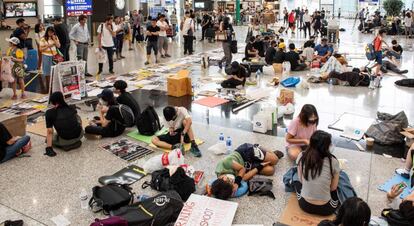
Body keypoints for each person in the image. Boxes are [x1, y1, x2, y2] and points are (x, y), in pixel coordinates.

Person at [211, 143, 284, 200]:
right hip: (247, 165)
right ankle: (262, 158)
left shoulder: (224, 163)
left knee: (275, 160)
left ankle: (259, 147)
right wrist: (260, 166)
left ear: (222, 178)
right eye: (231, 183)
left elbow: (242, 169)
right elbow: (245, 177)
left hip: (245, 153)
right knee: (271, 170)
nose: (232, 180)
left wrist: (237, 182)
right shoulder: (226, 184)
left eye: (229, 180)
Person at [295, 130, 340, 216]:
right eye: (330, 144)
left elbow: (301, 180)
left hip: (305, 205)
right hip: (327, 208)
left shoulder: (302, 156)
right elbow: (333, 188)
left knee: (296, 181)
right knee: (340, 184)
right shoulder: (333, 161)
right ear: (326, 147)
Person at [45, 92, 83, 156]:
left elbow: (50, 131)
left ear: (53, 102)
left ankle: (66, 145)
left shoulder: (50, 113)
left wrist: (48, 148)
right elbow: (80, 121)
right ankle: (75, 142)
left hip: (65, 139)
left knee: (48, 139)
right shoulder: (71, 107)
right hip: (79, 135)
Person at [39, 26, 61, 93]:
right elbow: (40, 49)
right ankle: (48, 87)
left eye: (52, 32)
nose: (51, 33)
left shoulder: (55, 37)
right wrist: (49, 46)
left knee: (55, 71)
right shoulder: (43, 39)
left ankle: (54, 86)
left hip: (54, 57)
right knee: (47, 72)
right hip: (46, 56)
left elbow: (59, 46)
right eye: (49, 32)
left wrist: (54, 39)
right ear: (47, 31)